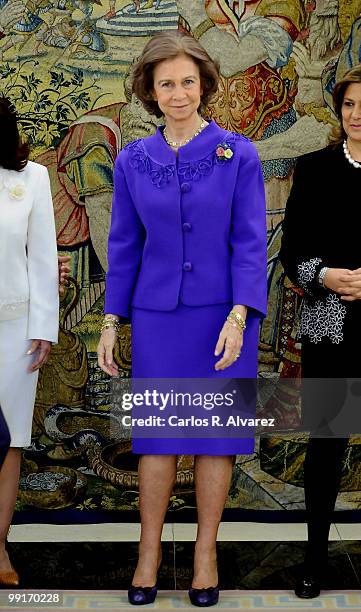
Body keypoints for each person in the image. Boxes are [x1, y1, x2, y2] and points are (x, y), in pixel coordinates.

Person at [97, 30, 267, 607]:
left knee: (216, 441)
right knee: (158, 440)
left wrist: (241, 315)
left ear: (204, 85)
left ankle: (204, 555)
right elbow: (123, 246)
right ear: (149, 89)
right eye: (165, 83)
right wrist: (111, 321)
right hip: (158, 318)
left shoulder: (237, 154)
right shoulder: (132, 160)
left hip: (226, 319)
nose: (177, 93)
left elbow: (250, 242)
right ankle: (148, 554)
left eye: (187, 82)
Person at [279, 64, 361, 598]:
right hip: (331, 326)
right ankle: (313, 561)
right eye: (350, 105)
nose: (357, 116)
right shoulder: (314, 169)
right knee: (327, 445)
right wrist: (324, 274)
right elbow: (291, 252)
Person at [0, 97, 59, 586]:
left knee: (11, 438)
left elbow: (42, 257)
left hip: (13, 330)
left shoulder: (31, 178)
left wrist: (44, 326)